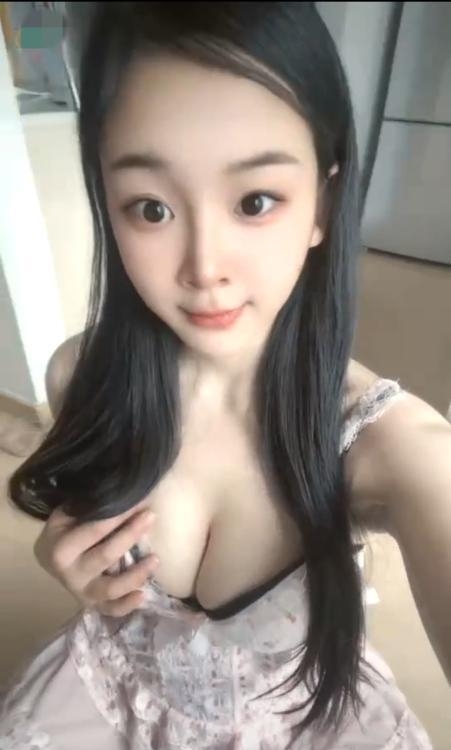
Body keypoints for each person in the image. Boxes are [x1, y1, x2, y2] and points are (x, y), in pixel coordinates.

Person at [1, 2, 450, 747]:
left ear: (322, 204)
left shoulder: (390, 446)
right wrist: (69, 562)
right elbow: (86, 535)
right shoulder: (78, 376)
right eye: (151, 208)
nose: (204, 268)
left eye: (254, 201)